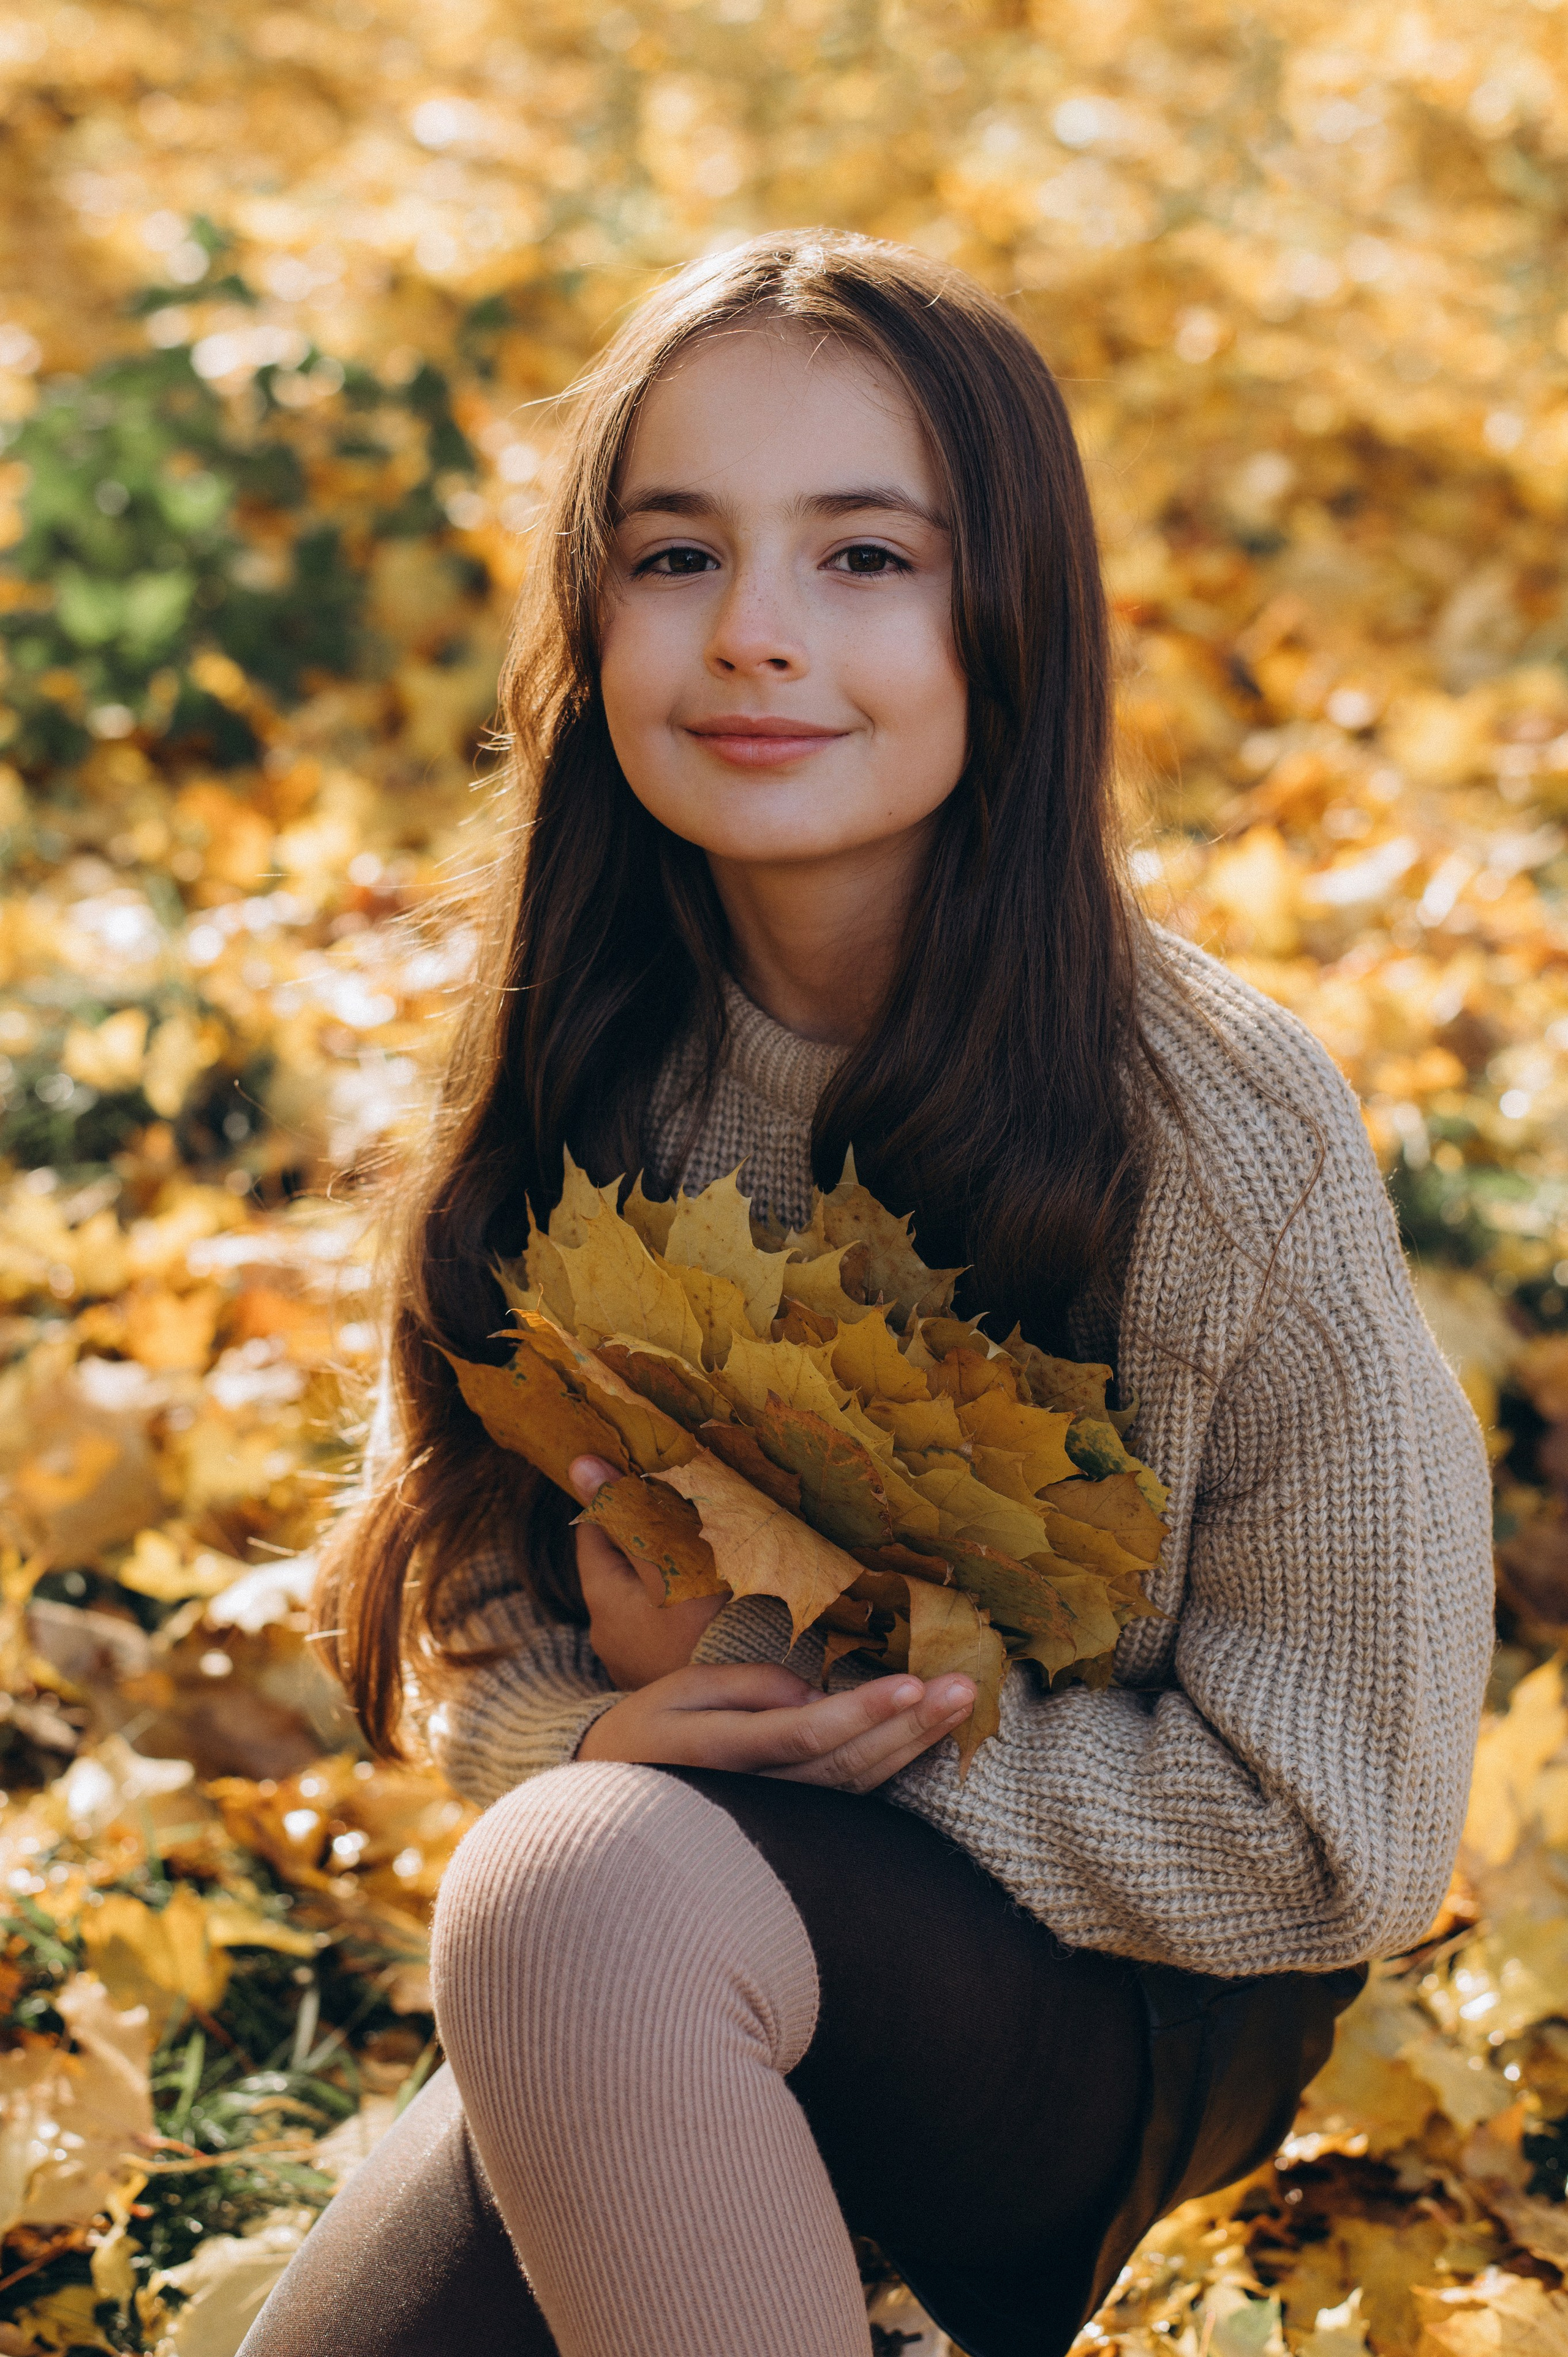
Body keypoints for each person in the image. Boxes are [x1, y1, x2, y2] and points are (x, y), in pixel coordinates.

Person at [241, 231, 1495, 2357]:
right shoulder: (576, 1040)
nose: (753, 633)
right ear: (587, 620)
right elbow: (469, 1600)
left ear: (1012, 620)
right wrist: (600, 1732)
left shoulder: (1219, 1127)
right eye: (675, 556)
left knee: (577, 1889)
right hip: (675, 1906)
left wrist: (805, 1741)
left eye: (864, 559)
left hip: (1129, 1995)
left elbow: (1343, 1836)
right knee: (569, 1912)